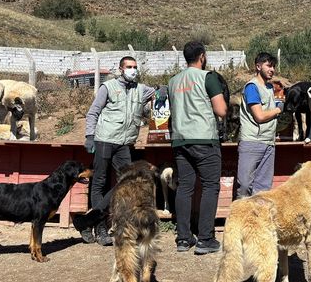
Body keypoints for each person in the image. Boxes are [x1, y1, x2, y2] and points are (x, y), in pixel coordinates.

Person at [77, 56, 156, 246]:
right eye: (129, 67)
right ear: (121, 69)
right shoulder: (108, 87)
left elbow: (156, 97)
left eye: (135, 67)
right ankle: (101, 227)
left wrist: (162, 93)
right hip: (105, 139)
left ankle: (88, 221)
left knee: (126, 182)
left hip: (125, 143)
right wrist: (89, 136)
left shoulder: (141, 89)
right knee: (100, 181)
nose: (133, 70)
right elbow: (93, 111)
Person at [168, 41, 227, 254]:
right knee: (210, 186)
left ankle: (183, 238)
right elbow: (221, 110)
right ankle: (205, 239)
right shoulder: (208, 77)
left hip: (180, 140)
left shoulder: (173, 81)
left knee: (185, 187)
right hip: (204, 138)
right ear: (202, 56)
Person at [236, 52, 283, 199]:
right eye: (268, 65)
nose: (272, 69)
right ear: (258, 66)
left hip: (268, 142)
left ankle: (259, 220)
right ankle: (242, 218)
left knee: (263, 188)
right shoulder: (252, 87)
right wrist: (278, 110)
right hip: (252, 141)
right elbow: (260, 116)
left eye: (273, 66)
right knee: (244, 185)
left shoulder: (270, 88)